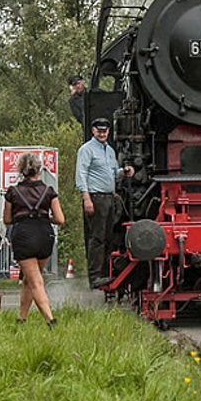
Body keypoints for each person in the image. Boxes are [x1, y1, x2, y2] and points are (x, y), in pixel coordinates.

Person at [4, 153, 65, 325]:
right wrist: (46, 218)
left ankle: (50, 319)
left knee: (35, 281)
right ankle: (21, 318)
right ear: (39, 170)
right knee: (28, 280)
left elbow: (7, 220)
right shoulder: (49, 191)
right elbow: (60, 219)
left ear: (21, 171)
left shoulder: (13, 192)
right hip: (45, 236)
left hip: (24, 236)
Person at [75, 117, 134, 289]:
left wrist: (125, 172)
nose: (102, 133)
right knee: (98, 237)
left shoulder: (109, 150)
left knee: (108, 237)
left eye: (105, 130)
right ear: (93, 131)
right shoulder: (86, 150)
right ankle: (95, 276)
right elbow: (81, 174)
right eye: (99, 130)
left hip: (109, 197)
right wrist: (86, 198)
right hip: (95, 197)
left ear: (108, 131)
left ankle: (106, 273)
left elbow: (114, 173)